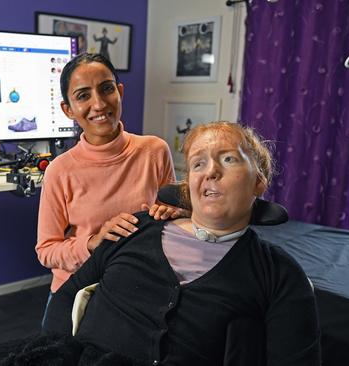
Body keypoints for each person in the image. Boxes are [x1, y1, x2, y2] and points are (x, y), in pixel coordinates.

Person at [42, 121, 321, 365]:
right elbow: (66, 298)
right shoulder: (134, 229)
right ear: (189, 187)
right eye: (198, 163)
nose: (211, 171)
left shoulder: (279, 275)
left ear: (258, 182)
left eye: (228, 159)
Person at [36, 53, 180, 315]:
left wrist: (173, 215)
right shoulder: (59, 171)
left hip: (138, 285)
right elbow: (47, 251)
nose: (99, 104)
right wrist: (93, 242)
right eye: (83, 96)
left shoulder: (155, 150)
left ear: (120, 91)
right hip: (77, 292)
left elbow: (173, 222)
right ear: (67, 109)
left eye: (106, 89)